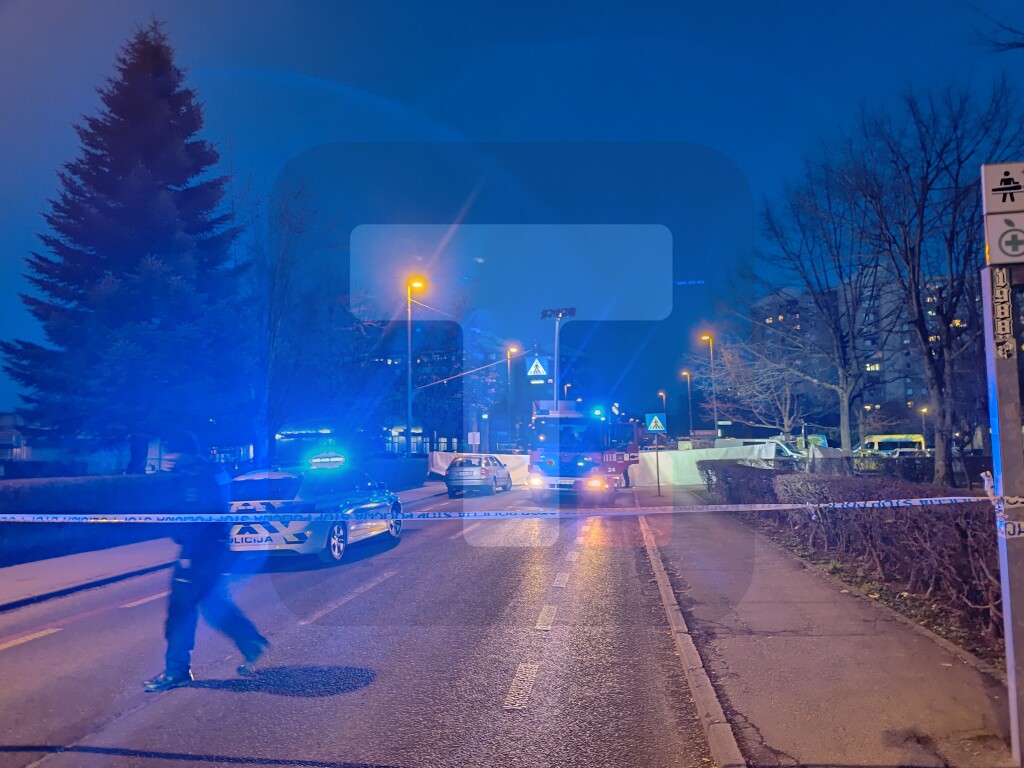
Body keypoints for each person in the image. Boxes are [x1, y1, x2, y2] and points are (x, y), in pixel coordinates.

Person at [143, 432, 269, 692]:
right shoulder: (209, 471)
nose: (169, 458)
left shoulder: (196, 477)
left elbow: (196, 518)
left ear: (187, 452)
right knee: (212, 603)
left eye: (173, 452)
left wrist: (189, 554)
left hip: (197, 553)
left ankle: (176, 671)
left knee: (180, 612)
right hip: (212, 550)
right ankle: (250, 641)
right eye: (167, 452)